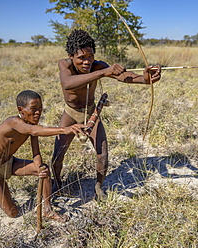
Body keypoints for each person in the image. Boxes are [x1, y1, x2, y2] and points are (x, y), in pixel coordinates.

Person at [51, 29, 161, 200]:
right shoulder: (64, 64)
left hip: (91, 112)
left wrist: (145, 79)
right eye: (81, 58)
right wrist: (104, 72)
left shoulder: (97, 65)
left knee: (102, 154)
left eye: (91, 56)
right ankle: (57, 183)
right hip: (71, 113)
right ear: (71, 56)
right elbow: (67, 84)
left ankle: (98, 186)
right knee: (58, 154)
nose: (87, 61)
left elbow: (124, 76)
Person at [0, 90, 86, 221]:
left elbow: (36, 152)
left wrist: (39, 169)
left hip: (11, 163)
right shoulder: (12, 123)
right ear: (21, 110)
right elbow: (33, 130)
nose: (38, 112)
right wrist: (65, 129)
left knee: (44, 169)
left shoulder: (32, 124)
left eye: (40, 108)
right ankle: (5, 198)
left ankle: (48, 210)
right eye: (33, 109)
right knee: (13, 213)